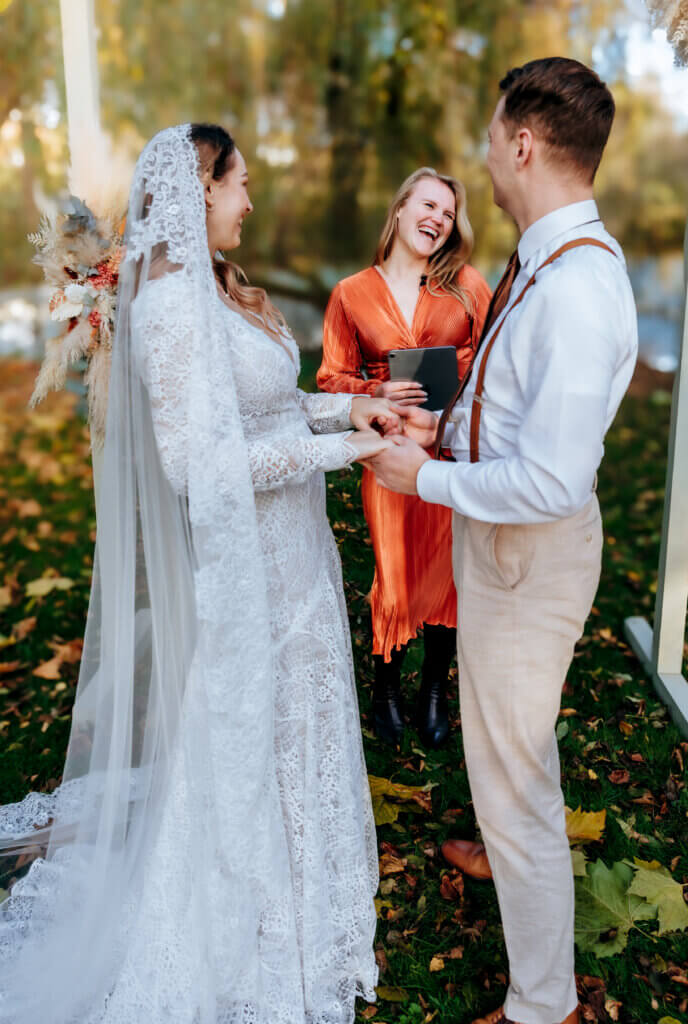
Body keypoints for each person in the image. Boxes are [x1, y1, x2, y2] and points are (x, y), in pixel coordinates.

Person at [0, 123, 402, 1023]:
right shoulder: (172, 310)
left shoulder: (215, 294)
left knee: (299, 722)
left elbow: (265, 405)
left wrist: (353, 407)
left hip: (294, 554)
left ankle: (308, 885)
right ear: (199, 189)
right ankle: (251, 916)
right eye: (240, 183)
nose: (249, 200)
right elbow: (198, 465)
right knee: (248, 731)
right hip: (245, 566)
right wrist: (338, 454)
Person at [368, 58, 638, 1024]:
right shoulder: (542, 256)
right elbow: (512, 406)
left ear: (523, 143)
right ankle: (503, 831)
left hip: (527, 551)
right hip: (503, 537)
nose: (484, 156)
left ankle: (543, 1003)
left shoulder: (574, 288)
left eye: (489, 138)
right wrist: (448, 431)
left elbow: (554, 479)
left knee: (518, 765)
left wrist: (422, 477)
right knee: (504, 742)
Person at [317, 169, 491, 748]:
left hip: (449, 452)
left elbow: (495, 365)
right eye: (429, 205)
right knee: (393, 570)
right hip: (388, 453)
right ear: (399, 210)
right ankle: (386, 687)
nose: (438, 219)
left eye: (448, 213)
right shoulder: (349, 293)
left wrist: (453, 398)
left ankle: (434, 690)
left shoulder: (466, 286)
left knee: (447, 573)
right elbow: (330, 377)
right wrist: (375, 392)